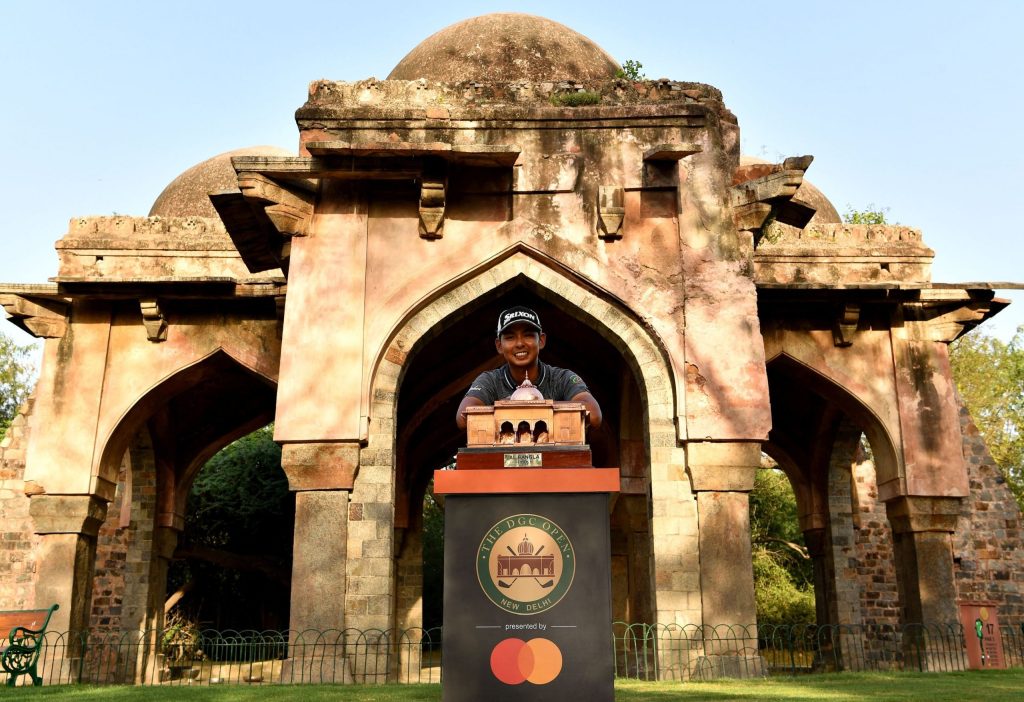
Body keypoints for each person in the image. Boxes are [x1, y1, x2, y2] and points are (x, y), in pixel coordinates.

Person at [455, 306, 602, 429]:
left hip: (555, 460)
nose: (520, 343)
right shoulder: (490, 381)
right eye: (510, 337)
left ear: (542, 340)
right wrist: (511, 407)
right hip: (503, 461)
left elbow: (594, 416)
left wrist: (535, 405)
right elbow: (463, 418)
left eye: (528, 335)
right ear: (499, 346)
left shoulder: (561, 378)